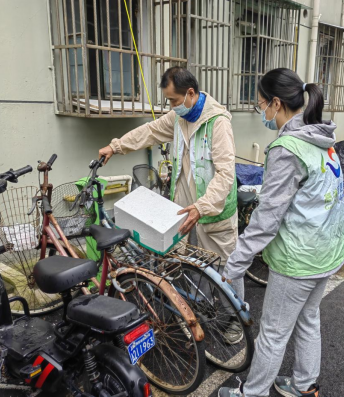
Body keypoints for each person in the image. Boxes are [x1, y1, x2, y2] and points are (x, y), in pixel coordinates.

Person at [218, 68, 344, 397]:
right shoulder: (322, 138)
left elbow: (267, 218)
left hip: (298, 259)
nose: (261, 112)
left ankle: (252, 393)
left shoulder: (288, 147)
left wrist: (236, 263)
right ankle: (304, 385)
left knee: (274, 333)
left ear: (276, 103)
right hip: (327, 252)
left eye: (261, 104)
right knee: (308, 319)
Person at [98, 67, 243, 342]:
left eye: (174, 101)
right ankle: (203, 314)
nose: (172, 107)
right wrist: (116, 147)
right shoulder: (178, 119)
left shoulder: (218, 123)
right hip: (184, 209)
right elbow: (149, 132)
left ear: (190, 93)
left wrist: (202, 206)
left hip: (212, 210)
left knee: (224, 269)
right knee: (192, 265)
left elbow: (226, 174)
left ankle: (234, 319)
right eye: (169, 102)